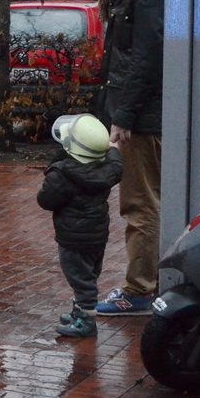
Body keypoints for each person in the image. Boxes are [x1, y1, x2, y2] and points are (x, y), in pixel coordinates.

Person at [91, 0, 166, 316]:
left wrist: (124, 116)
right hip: (142, 110)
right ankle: (147, 281)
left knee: (139, 202)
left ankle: (139, 289)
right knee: (146, 198)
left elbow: (146, 58)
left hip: (143, 116)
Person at [37, 113, 123, 338]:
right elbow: (116, 162)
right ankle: (80, 311)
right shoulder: (106, 170)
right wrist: (113, 147)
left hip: (73, 238)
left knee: (79, 278)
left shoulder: (62, 175)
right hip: (97, 235)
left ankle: (85, 319)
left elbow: (45, 201)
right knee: (89, 274)